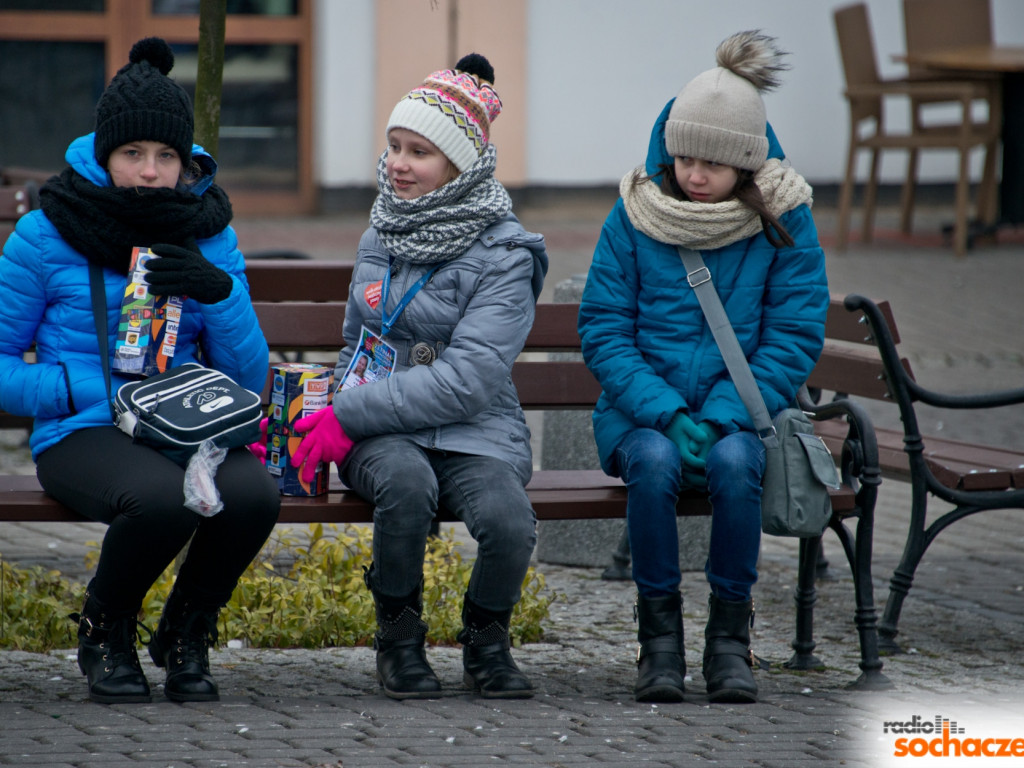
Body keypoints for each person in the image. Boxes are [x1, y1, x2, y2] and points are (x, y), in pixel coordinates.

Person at [0, 37, 280, 704]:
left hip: (181, 423)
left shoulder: (208, 232)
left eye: (165, 156)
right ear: (105, 155)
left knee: (253, 496)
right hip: (82, 429)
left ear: (185, 162)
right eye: (132, 153)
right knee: (160, 499)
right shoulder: (46, 233)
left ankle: (185, 631)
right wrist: (74, 388)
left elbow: (249, 379)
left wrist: (221, 293)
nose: (150, 172)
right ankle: (105, 632)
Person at [577, 31, 829, 705]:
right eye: (684, 156)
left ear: (745, 162)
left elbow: (793, 336)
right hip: (640, 415)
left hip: (740, 414)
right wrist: (665, 411)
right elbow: (603, 329)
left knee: (737, 464)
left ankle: (728, 641)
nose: (693, 174)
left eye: (712, 163)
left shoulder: (785, 220)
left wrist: (721, 415)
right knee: (654, 462)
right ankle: (659, 643)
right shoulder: (634, 214)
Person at [291, 53, 548, 700]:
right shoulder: (382, 229)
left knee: (508, 520)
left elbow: (467, 382)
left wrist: (347, 413)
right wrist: (342, 402)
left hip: (472, 429)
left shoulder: (506, 254)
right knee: (405, 487)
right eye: (394, 146)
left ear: (460, 166)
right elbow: (358, 340)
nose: (398, 164)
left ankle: (487, 642)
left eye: (420, 152)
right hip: (383, 428)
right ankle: (399, 640)